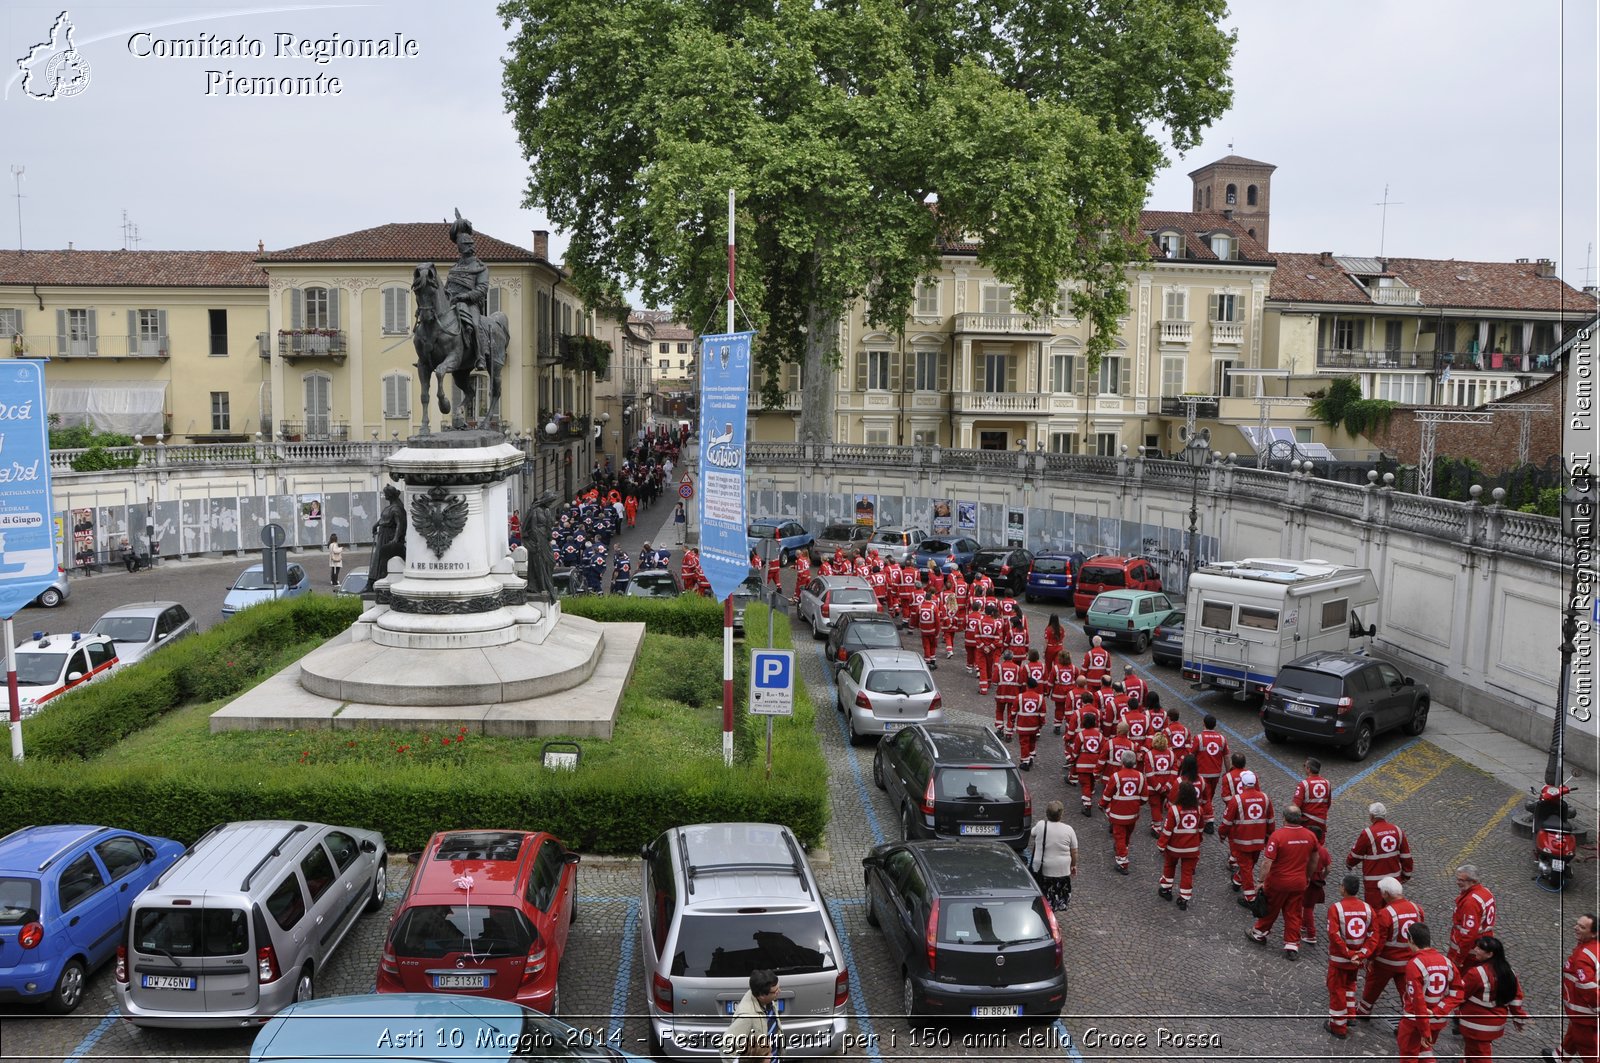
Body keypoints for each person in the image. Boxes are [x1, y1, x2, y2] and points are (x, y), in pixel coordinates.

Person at [1247, 806, 1320, 960]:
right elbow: (1314, 860)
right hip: (1299, 882)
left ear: (1284, 818)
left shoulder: (1278, 836)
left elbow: (1267, 862)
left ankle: (1259, 933)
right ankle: (1292, 944)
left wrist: (1261, 881)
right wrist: (1307, 876)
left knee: (1271, 907)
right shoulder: (1310, 836)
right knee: (1294, 913)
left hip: (1278, 882)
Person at [1357, 877, 1425, 1019]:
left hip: (1386, 961)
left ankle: (1364, 1010)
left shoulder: (1385, 914)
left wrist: (1371, 958)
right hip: (1408, 961)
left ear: (1386, 894)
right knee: (1406, 992)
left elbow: (1379, 941)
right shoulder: (1417, 909)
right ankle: (1410, 1017)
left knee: (1373, 986)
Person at [1396, 923, 1462, 1063]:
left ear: (1411, 940)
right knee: (1424, 1052)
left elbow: (1418, 1002)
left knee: (1409, 1056)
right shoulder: (1447, 963)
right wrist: (1439, 1010)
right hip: (1437, 1021)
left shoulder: (1415, 965)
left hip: (1414, 1022)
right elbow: (1458, 993)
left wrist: (1424, 1031)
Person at [1325, 873, 1377, 1039]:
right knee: (1350, 986)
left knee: (1337, 990)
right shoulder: (1368, 909)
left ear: (1343, 888)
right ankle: (1350, 1014)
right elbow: (1374, 935)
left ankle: (1338, 1026)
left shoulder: (1336, 909)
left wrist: (1349, 953)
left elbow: (1334, 935)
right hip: (1357, 961)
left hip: (1340, 960)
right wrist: (1361, 954)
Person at [1459, 935, 1527, 1060]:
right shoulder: (1508, 971)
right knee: (1472, 1051)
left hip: (1476, 1023)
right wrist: (1519, 1016)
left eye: (1480, 949)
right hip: (1496, 1022)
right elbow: (1516, 997)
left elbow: (1459, 994)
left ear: (1490, 954)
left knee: (1480, 1054)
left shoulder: (1476, 973)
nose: (1475, 950)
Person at [1545, 912, 1599, 1063]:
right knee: (1573, 1034)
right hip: (1583, 1013)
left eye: (1582, 927)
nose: (1576, 928)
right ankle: (1558, 1057)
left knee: (1589, 1049)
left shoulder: (1582, 957)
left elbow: (1589, 989)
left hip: (1584, 1014)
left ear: (1594, 933)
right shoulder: (1593, 948)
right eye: (1577, 924)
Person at [1219, 769, 1274, 908]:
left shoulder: (1237, 800)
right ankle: (1237, 880)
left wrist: (1222, 834)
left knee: (1246, 867)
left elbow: (1226, 821)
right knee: (1249, 865)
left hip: (1242, 841)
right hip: (1259, 840)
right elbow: (1271, 821)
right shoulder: (1265, 798)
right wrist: (1268, 838)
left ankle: (1250, 898)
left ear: (1242, 784)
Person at [1347, 802, 1414, 907]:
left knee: (1375, 913)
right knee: (1393, 911)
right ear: (1385, 815)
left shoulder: (1368, 833)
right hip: (1394, 882)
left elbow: (1355, 855)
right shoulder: (1398, 831)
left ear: (1371, 816)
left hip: (1374, 883)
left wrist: (1349, 864)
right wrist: (1406, 875)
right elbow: (1406, 856)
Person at [1157, 781, 1204, 910]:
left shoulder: (1174, 810)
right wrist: (1198, 841)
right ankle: (1184, 897)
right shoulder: (1199, 810)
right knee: (1187, 872)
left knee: (1169, 866)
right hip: (1192, 849)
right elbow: (1200, 829)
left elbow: (1167, 831)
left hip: (1174, 847)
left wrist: (1161, 845)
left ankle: (1166, 889)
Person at [1100, 749, 1146, 875]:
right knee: (1127, 835)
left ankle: (1122, 862)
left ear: (1122, 762)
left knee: (1119, 837)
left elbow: (1107, 794)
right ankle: (1122, 850)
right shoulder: (1141, 776)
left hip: (1118, 814)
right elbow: (1144, 798)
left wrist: (1102, 805)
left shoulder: (1116, 776)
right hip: (1133, 814)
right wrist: (1136, 804)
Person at [721, 969, 784, 1061]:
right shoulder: (747, 1016)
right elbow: (725, 1046)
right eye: (775, 991)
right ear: (761, 995)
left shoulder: (766, 1000)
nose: (779, 991)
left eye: (779, 987)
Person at [1026, 800, 1078, 911]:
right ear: (1061, 814)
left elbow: (1032, 833)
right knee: (1057, 896)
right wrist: (1073, 865)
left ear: (1047, 813)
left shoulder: (1041, 825)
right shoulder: (1069, 830)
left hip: (1043, 869)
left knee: (1044, 899)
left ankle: (1046, 917)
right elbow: (1074, 851)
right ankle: (1053, 916)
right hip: (1062, 870)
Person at [1449, 865, 1497, 972]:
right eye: (1457, 879)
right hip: (1485, 941)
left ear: (1473, 881)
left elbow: (1468, 935)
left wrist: (1458, 959)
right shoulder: (1486, 892)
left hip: (1470, 952)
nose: (1458, 882)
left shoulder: (1470, 902)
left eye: (1461, 880)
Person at [1194, 715, 1230, 832]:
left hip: (1202, 774)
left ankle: (1209, 821)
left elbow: (1191, 755)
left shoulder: (1199, 738)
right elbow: (1226, 757)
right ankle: (1206, 814)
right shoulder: (1222, 738)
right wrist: (1228, 771)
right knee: (1209, 796)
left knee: (1207, 797)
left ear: (1203, 723)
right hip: (1216, 774)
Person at [1293, 757, 1333, 840]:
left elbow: (1295, 807)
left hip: (1306, 822)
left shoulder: (1303, 785)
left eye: (1305, 766)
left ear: (1308, 769)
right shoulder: (1327, 783)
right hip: (1321, 821)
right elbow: (1328, 803)